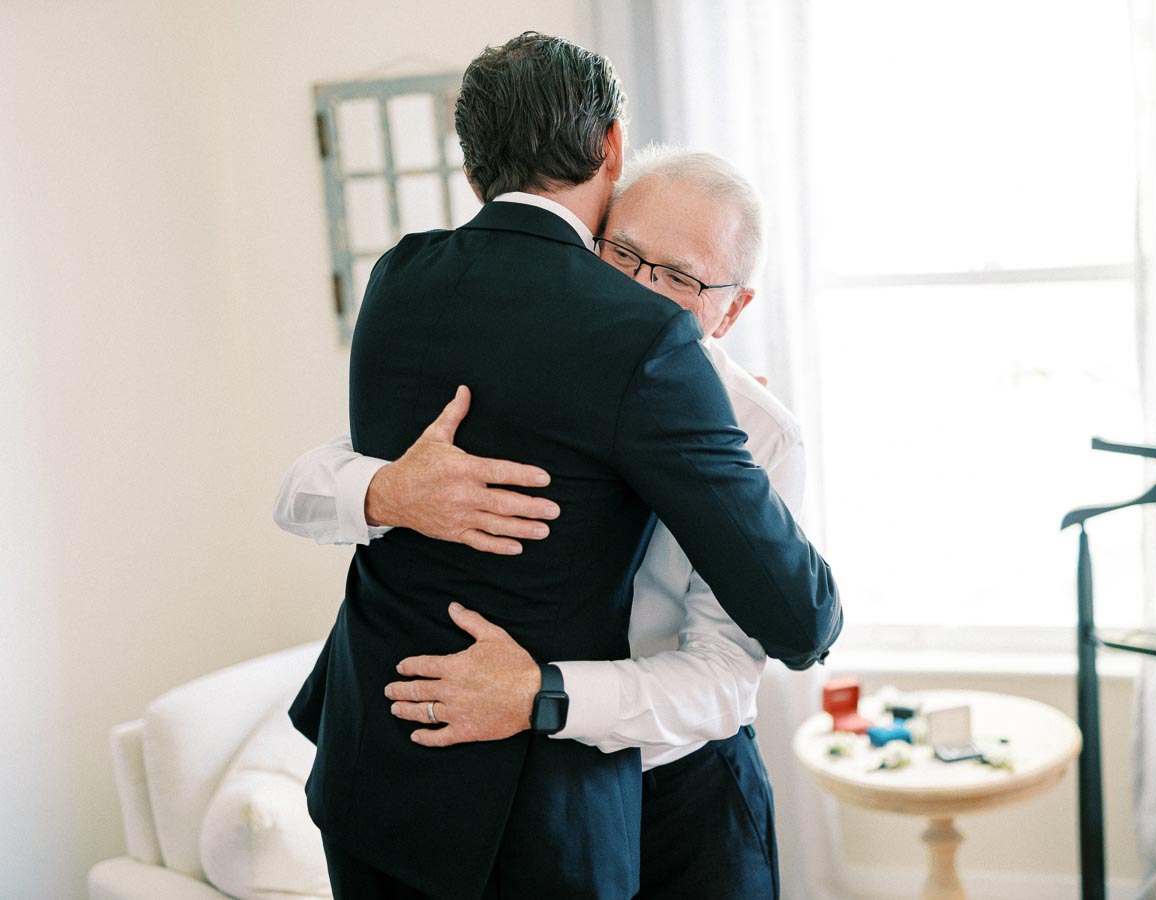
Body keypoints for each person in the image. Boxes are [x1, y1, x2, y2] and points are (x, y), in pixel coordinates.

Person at [284, 32, 841, 900]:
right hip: (515, 795)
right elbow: (310, 481)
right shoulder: (587, 337)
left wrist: (545, 693)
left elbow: (746, 664)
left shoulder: (759, 432)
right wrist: (386, 488)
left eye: (686, 281)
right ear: (599, 214)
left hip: (679, 783)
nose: (645, 293)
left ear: (733, 310)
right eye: (625, 259)